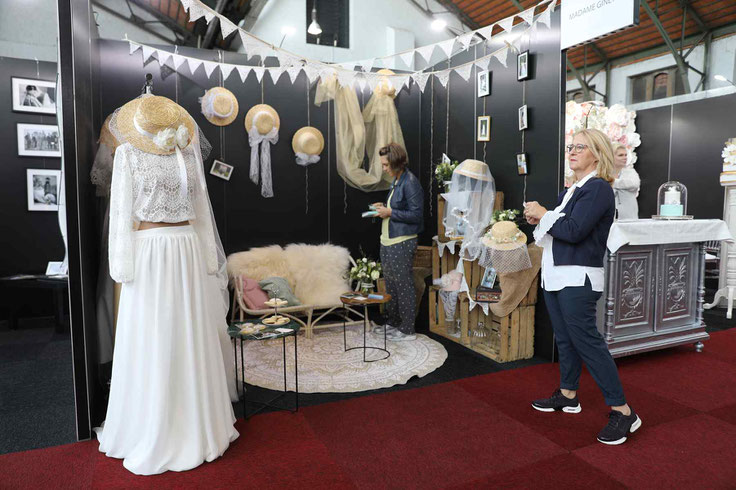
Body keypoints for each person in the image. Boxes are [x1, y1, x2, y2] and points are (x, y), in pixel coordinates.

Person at [523, 128, 641, 445]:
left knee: (587, 342)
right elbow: (555, 233)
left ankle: (624, 411)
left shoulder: (599, 189)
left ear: (597, 153)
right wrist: (543, 220)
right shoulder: (572, 190)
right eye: (570, 146)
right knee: (565, 338)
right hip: (557, 274)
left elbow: (573, 231)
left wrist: (545, 214)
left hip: (579, 277)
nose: (572, 151)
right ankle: (568, 394)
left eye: (580, 146)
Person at [372, 143, 424, 341]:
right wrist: (383, 208)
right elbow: (398, 208)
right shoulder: (397, 180)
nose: (384, 168)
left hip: (402, 242)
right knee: (392, 285)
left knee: (403, 285)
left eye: (386, 165)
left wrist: (390, 212)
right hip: (388, 240)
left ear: (395, 162)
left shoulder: (410, 182)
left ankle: (408, 329)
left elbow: (416, 215)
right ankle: (394, 323)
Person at [612, 143, 640, 220]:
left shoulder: (630, 172)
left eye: (625, 155)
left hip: (629, 218)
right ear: (611, 157)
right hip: (609, 219)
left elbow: (634, 184)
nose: (625, 158)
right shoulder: (605, 173)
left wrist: (612, 182)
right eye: (620, 155)